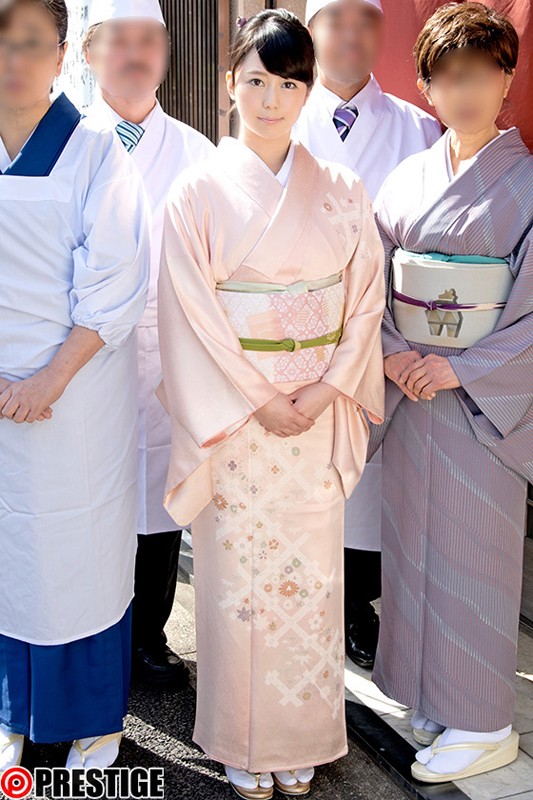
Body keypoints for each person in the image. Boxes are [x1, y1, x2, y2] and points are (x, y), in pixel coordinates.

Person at [157, 10, 386, 799]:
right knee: (237, 583)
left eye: (288, 84)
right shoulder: (195, 192)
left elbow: (364, 301)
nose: (269, 99)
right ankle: (239, 737)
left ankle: (302, 736)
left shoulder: (342, 191)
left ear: (306, 92)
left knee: (309, 582)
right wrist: (260, 399)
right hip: (237, 421)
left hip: (315, 412)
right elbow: (188, 312)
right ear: (229, 84)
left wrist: (323, 389)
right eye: (255, 80)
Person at [370, 1, 533, 783]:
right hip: (411, 393)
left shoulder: (526, 183)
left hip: (478, 404)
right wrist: (393, 353)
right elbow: (368, 281)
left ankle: (484, 722)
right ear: (426, 88)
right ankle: (434, 696)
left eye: (478, 74)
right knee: (413, 550)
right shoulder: (408, 176)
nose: (462, 92)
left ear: (505, 79)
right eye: (446, 77)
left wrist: (460, 368)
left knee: (474, 555)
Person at [0, 0, 149, 773]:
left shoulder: (95, 152)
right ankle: (13, 713)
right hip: (1, 396)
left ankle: (93, 724)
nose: (14, 59)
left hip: (77, 394)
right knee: (9, 555)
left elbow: (117, 279)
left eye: (30, 43)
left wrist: (51, 378)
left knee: (76, 553)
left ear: (59, 54)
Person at [293, 0, 442, 670]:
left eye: (365, 19)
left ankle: (358, 606)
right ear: (312, 30)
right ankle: (305, 600)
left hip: (390, 336)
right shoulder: (281, 113)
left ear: (381, 32)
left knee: (374, 477)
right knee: (305, 464)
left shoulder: (419, 127)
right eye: (335, 19)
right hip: (300, 335)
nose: (350, 34)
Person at [84, 0, 215, 690]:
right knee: (89, 496)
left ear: (166, 53)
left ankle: (148, 638)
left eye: (149, 40)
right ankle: (90, 637)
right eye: (119, 40)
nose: (135, 54)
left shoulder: (200, 154)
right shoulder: (64, 142)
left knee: (162, 498)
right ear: (88, 53)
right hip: (85, 358)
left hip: (171, 354)